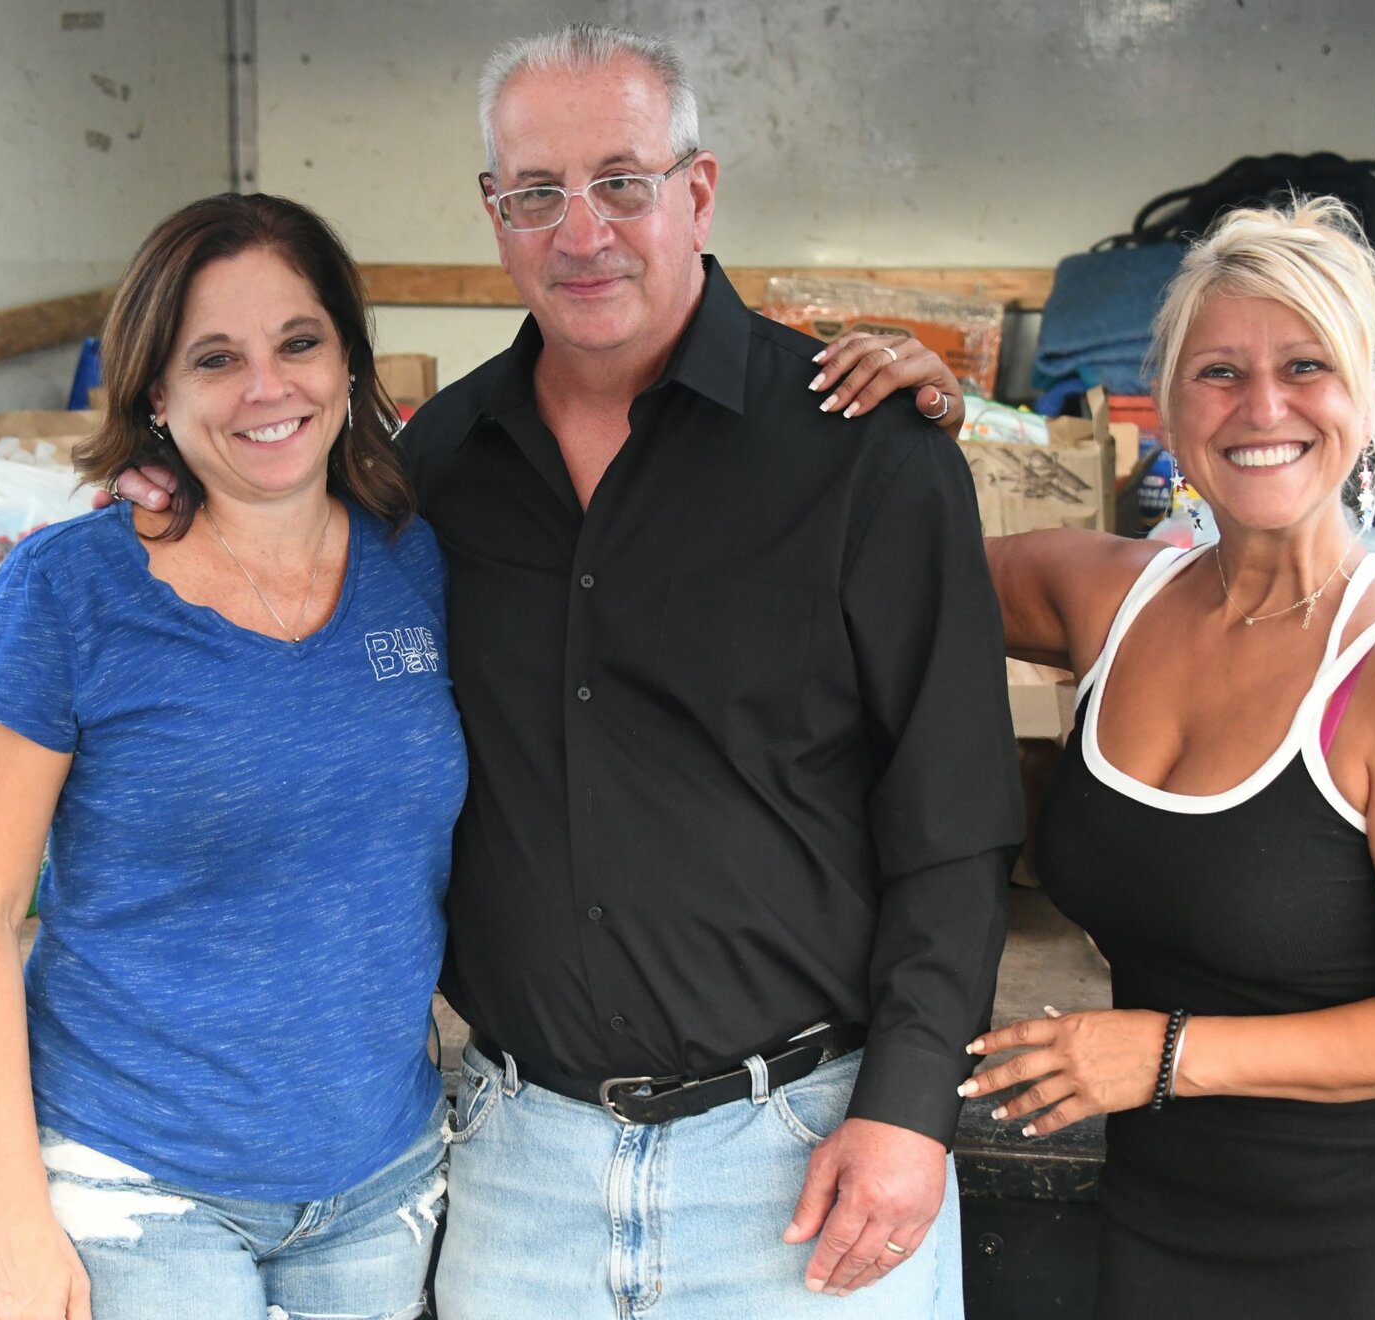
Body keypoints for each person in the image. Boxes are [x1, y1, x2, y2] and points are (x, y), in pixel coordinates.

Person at [103, 25, 1019, 1316]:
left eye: (622, 182)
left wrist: (912, 1111)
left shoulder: (862, 455)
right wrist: (166, 485)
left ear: (697, 193)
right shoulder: (430, 475)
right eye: (536, 193)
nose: (579, 231)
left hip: (803, 1162)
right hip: (517, 1171)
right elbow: (262, 543)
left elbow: (957, 816)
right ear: (494, 214)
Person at [944, 198, 1375, 1317]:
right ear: (1172, 410)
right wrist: (920, 415)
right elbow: (878, 566)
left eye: (1305, 366)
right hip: (1161, 1213)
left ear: (1370, 391)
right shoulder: (1110, 597)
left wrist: (1167, 1055)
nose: (1263, 408)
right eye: (1219, 372)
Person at [0, 194, 467, 1320]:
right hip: (137, 1185)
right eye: (215, 358)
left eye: (299, 342)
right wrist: (11, 1220)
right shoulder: (68, 593)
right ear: (157, 391)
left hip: (382, 1181)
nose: (268, 387)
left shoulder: (420, 563)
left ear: (349, 358)